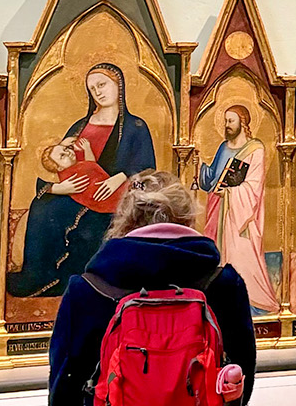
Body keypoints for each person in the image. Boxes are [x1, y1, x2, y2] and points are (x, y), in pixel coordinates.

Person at [47, 171, 256, 406]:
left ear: (125, 218)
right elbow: (240, 380)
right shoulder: (224, 283)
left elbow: (64, 386)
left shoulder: (86, 290)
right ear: (188, 217)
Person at [9, 62, 156, 298]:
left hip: (116, 197)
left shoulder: (135, 127)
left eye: (102, 84)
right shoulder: (80, 125)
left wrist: (116, 179)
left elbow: (145, 167)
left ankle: (70, 276)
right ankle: (39, 275)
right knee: (43, 206)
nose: (98, 92)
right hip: (79, 192)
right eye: (92, 88)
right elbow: (59, 160)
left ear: (118, 85)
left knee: (91, 228)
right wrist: (59, 187)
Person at [198, 105, 279, 313]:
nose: (227, 125)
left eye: (231, 121)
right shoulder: (224, 147)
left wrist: (231, 194)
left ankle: (253, 300)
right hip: (218, 210)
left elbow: (254, 185)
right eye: (225, 121)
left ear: (243, 123)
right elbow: (213, 178)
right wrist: (200, 167)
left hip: (242, 216)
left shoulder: (255, 149)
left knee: (242, 256)